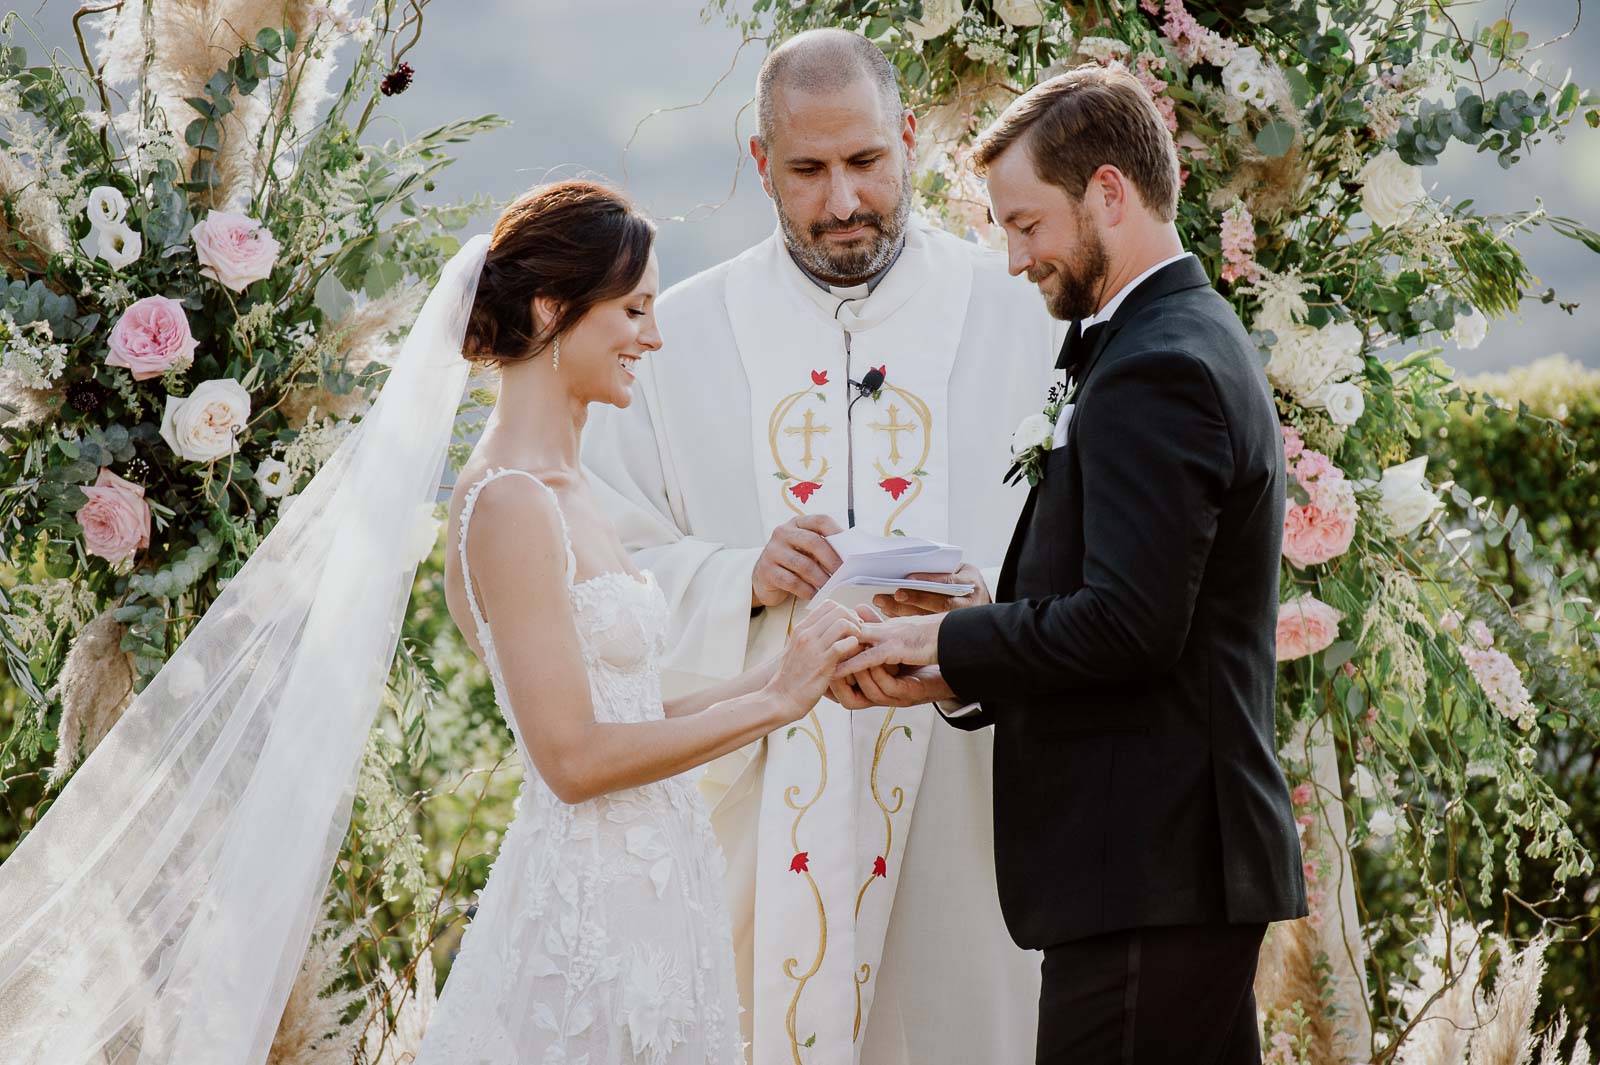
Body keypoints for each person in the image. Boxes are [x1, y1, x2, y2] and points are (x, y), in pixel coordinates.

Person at [0, 180, 868, 1065]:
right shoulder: (511, 505)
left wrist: (791, 671)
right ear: (552, 307)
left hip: (658, 899)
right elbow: (571, 758)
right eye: (635, 309)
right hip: (585, 929)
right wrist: (775, 705)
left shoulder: (574, 491)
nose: (654, 335)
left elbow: (630, 712)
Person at [583, 28, 1054, 1065]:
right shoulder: (678, 338)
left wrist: (984, 606)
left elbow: (1099, 557)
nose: (841, 201)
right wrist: (733, 577)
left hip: (964, 793)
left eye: (865, 163)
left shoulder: (1025, 318)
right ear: (760, 164)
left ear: (912, 140)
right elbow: (596, 558)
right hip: (756, 811)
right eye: (806, 171)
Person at [832, 66, 1309, 1064]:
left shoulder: (1157, 366)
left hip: (1150, 866)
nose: (1012, 259)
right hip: (1165, 869)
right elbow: (1127, 600)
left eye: (1025, 225)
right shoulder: (1156, 339)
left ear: (1106, 192)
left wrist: (947, 639)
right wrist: (966, 631)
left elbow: (1131, 627)